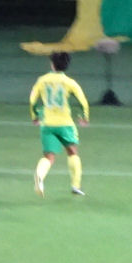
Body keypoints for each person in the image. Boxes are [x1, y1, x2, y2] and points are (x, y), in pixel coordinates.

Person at [29, 52, 90, 197]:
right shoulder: (70, 82)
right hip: (65, 124)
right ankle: (76, 185)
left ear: (52, 64)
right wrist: (84, 117)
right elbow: (83, 101)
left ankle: (40, 176)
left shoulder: (42, 80)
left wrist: (35, 116)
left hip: (47, 123)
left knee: (48, 157)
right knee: (72, 152)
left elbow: (32, 100)